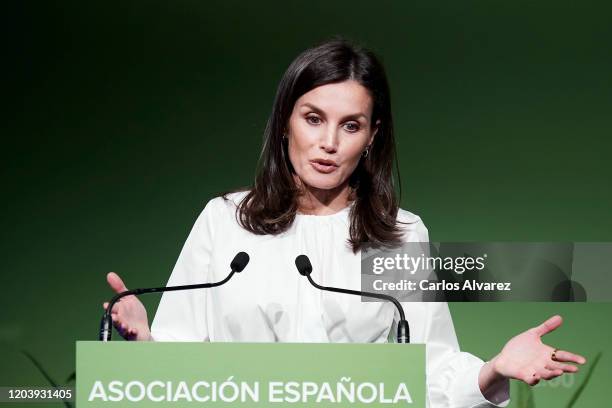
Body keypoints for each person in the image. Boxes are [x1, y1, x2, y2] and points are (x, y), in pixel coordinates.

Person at [103, 38, 586, 407]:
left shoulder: (398, 236)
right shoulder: (226, 222)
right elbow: (179, 365)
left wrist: (494, 370)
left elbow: (430, 372)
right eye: (313, 118)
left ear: (372, 136)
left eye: (350, 125)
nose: (329, 142)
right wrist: (146, 343)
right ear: (285, 122)